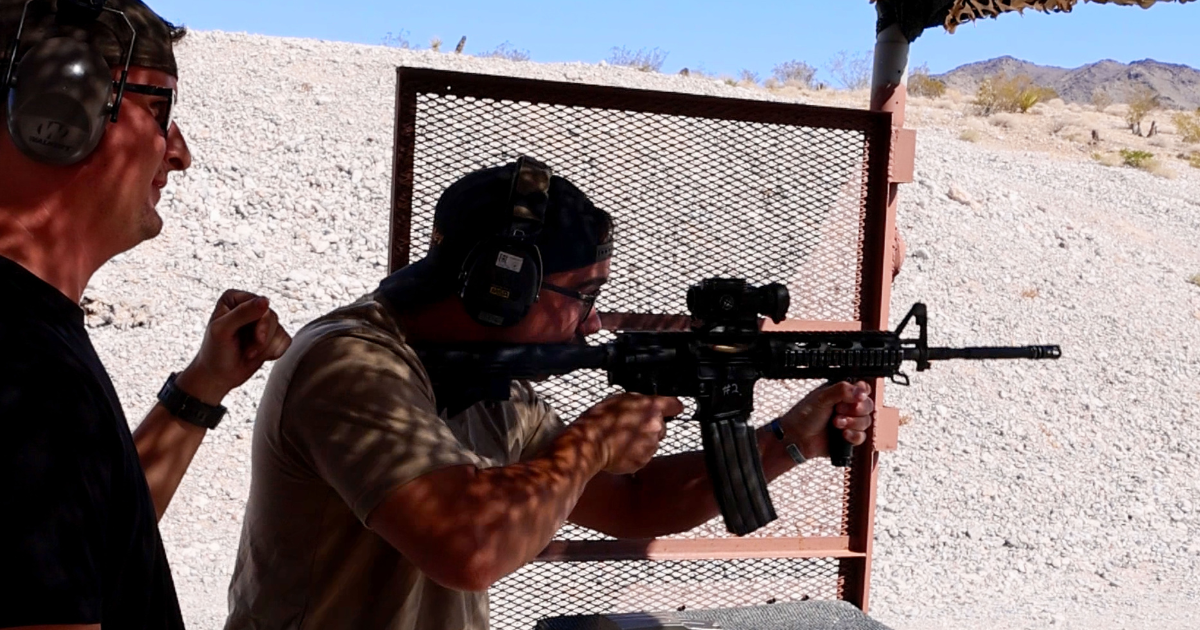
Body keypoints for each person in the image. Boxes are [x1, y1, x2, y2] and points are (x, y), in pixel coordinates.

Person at [225, 157, 874, 630]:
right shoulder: (349, 362)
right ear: (502, 285)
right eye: (583, 297)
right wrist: (591, 442)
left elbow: (632, 503)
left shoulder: (487, 384)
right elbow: (468, 546)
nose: (591, 322)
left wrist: (790, 440)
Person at [0, 1, 291, 628]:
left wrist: (201, 388)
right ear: (56, 107)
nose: (179, 153)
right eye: (159, 111)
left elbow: (87, 543)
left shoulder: (29, 340)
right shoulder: (23, 367)